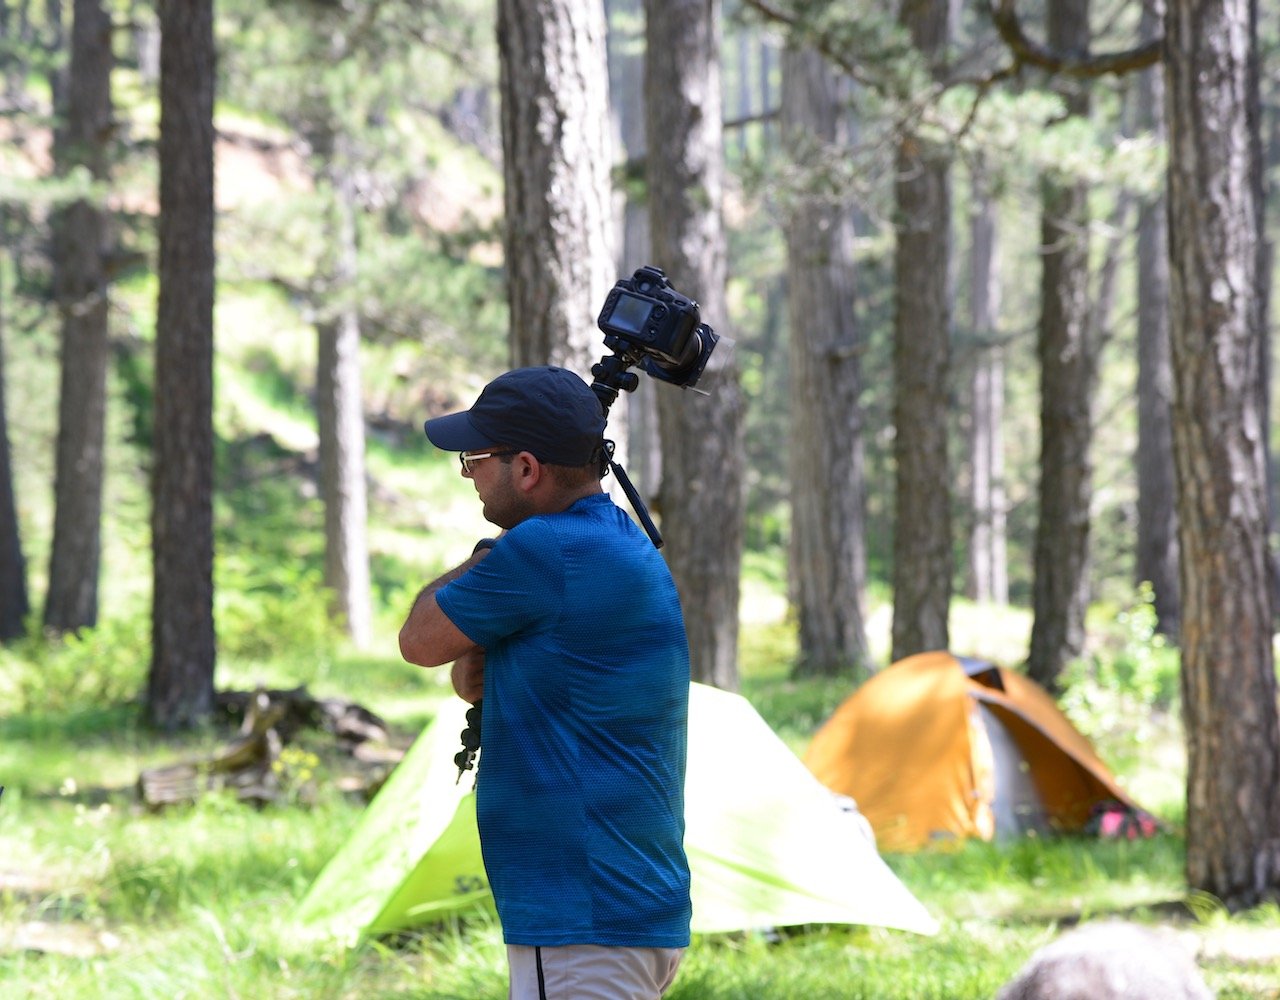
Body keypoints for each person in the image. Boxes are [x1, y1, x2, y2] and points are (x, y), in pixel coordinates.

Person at [398, 365, 692, 1000]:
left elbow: (419, 639)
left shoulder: (543, 552)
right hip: (618, 909)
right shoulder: (612, 540)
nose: (469, 474)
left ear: (526, 469)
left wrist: (487, 557)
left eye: (475, 458)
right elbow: (472, 673)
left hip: (580, 917)